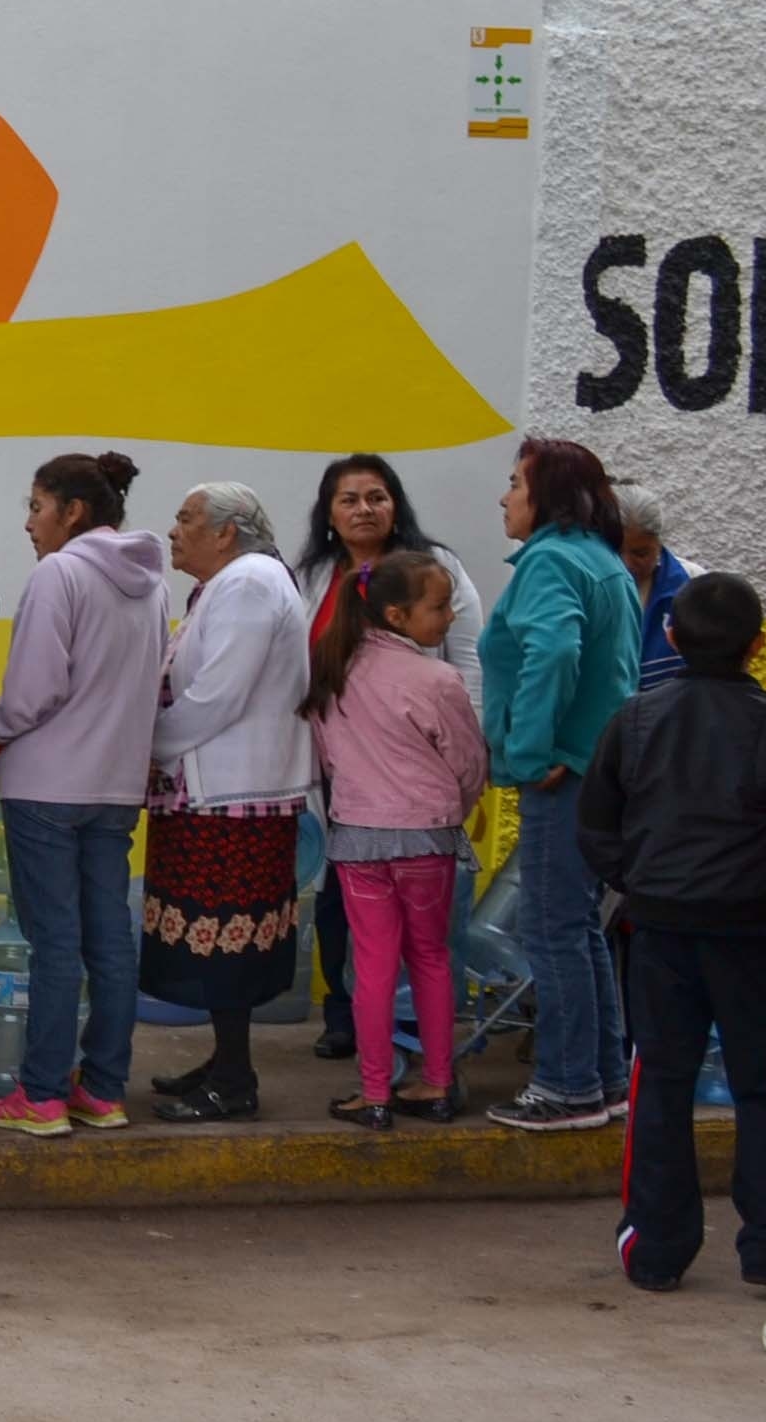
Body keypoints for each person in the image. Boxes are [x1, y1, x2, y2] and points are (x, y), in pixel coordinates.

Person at [577, 571, 766, 1294]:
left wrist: (644, 881)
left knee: (660, 1080)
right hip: (754, 930)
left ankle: (655, 1249)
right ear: (760, 644)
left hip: (659, 930)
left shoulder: (634, 718)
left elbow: (597, 828)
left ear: (672, 638)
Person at [0, 452, 167, 1137]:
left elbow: (34, 691)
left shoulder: (60, 572)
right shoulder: (152, 582)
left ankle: (42, 1094)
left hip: (46, 785)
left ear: (73, 511)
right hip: (115, 786)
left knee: (53, 942)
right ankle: (104, 1089)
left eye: (36, 506)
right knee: (108, 938)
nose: (29, 523)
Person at [286, 453, 486, 1060]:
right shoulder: (313, 575)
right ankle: (345, 1020)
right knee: (337, 902)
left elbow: (468, 658)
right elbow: (298, 670)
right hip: (336, 770)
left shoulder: (435, 567)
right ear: (329, 515)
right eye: (349, 499)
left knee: (423, 933)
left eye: (377, 496)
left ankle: (418, 1040)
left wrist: (464, 763)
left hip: (417, 771)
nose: (364, 509)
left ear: (396, 505)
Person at [480, 436, 644, 1133]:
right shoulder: (600, 559)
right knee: (576, 931)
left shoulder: (550, 559)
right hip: (597, 772)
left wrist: (530, 748)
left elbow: (553, 650)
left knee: (552, 932)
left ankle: (566, 1087)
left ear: (548, 495)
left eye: (516, 482)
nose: (504, 496)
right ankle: (602, 1081)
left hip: (564, 773)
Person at [136, 484, 312, 1123]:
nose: (173, 530)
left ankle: (234, 1079)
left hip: (231, 799)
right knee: (213, 938)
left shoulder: (248, 584)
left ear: (226, 533)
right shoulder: (235, 582)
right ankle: (225, 1062)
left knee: (225, 941)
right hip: (216, 793)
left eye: (185, 519)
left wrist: (147, 745)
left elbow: (218, 696)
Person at [614, 482, 691, 692]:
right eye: (616, 551)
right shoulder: (592, 587)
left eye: (640, 553)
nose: (627, 563)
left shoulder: (690, 583)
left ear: (659, 542)